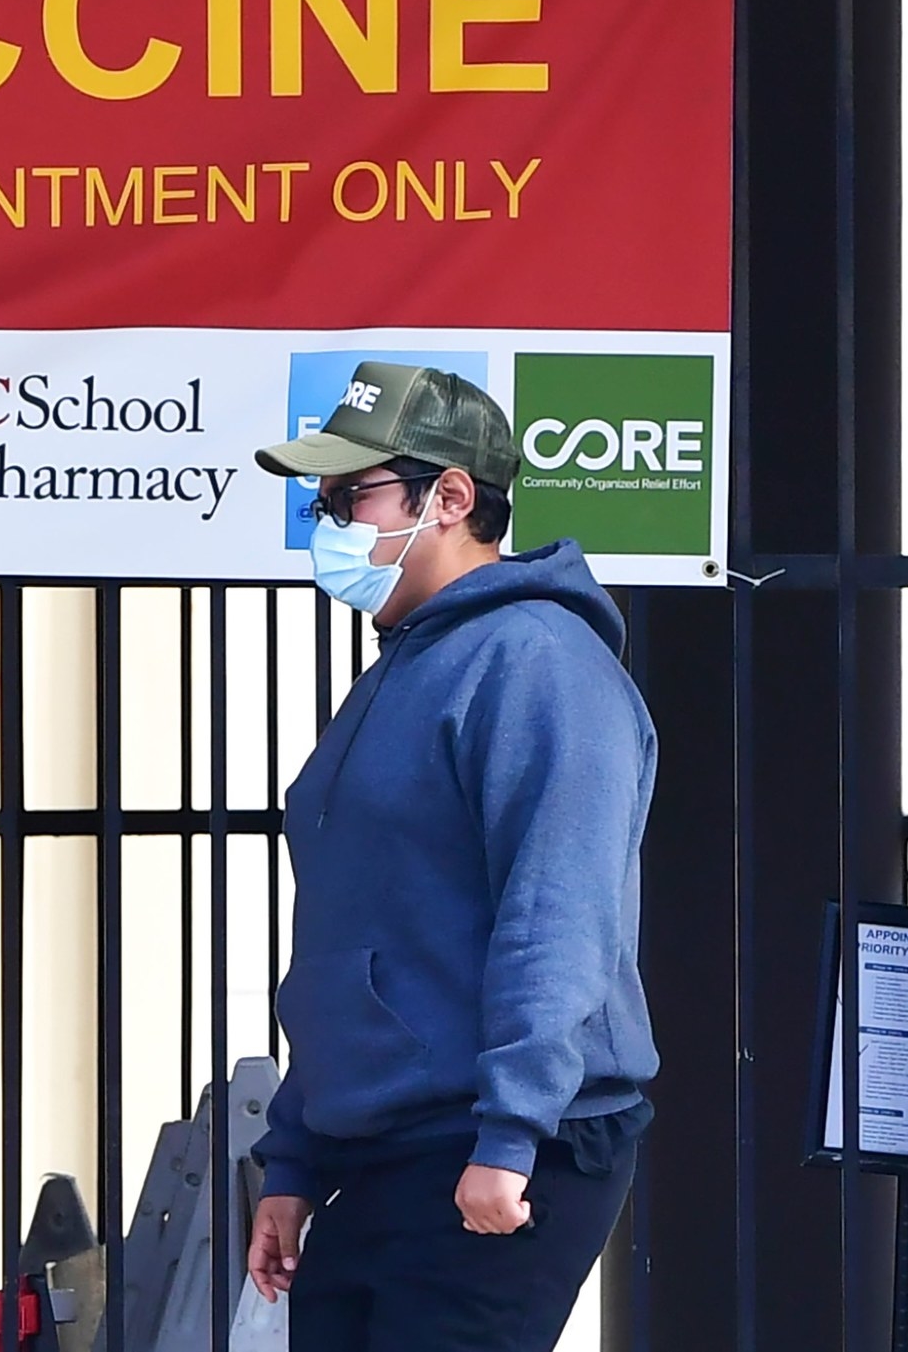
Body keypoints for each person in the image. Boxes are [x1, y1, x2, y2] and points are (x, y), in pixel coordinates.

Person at [241, 363, 657, 1352]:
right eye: (321, 498)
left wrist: (510, 1135)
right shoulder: (405, 667)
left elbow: (558, 910)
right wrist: (295, 1157)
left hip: (503, 1141)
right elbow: (353, 938)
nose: (327, 519)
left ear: (453, 496)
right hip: (389, 1144)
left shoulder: (538, 659)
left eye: (351, 495)